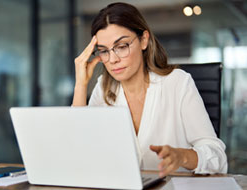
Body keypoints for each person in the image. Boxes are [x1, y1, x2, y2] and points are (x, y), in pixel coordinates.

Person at [72, 2, 227, 177]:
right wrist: (80, 85)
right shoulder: (103, 88)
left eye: (121, 46)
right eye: (104, 51)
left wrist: (182, 156)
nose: (113, 59)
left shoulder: (178, 83)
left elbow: (218, 157)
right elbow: (79, 152)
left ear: (143, 40)